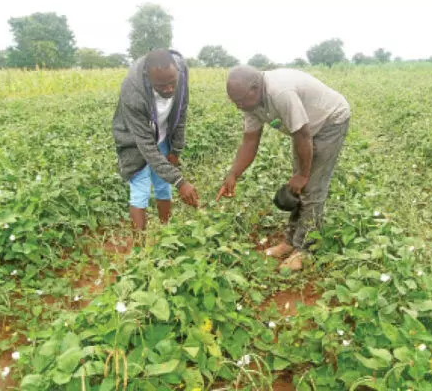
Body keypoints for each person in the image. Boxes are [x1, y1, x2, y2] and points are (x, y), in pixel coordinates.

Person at [216, 65, 350, 271]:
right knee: (298, 187)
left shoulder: (280, 92)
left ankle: (305, 250)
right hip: (303, 131)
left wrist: (303, 174)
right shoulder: (250, 104)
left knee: (312, 186)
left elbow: (303, 135)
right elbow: (250, 141)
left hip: (329, 121)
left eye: (241, 100)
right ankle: (290, 241)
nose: (239, 106)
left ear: (255, 88)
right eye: (235, 102)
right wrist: (233, 174)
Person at [112, 49, 199, 230]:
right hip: (135, 141)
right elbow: (145, 145)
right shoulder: (132, 90)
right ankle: (140, 250)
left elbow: (180, 113)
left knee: (163, 185)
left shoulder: (181, 73)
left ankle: (165, 234)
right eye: (160, 86)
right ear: (148, 77)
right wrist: (180, 182)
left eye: (171, 83)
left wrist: (176, 150)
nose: (168, 89)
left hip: (163, 134)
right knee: (140, 191)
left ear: (177, 71)